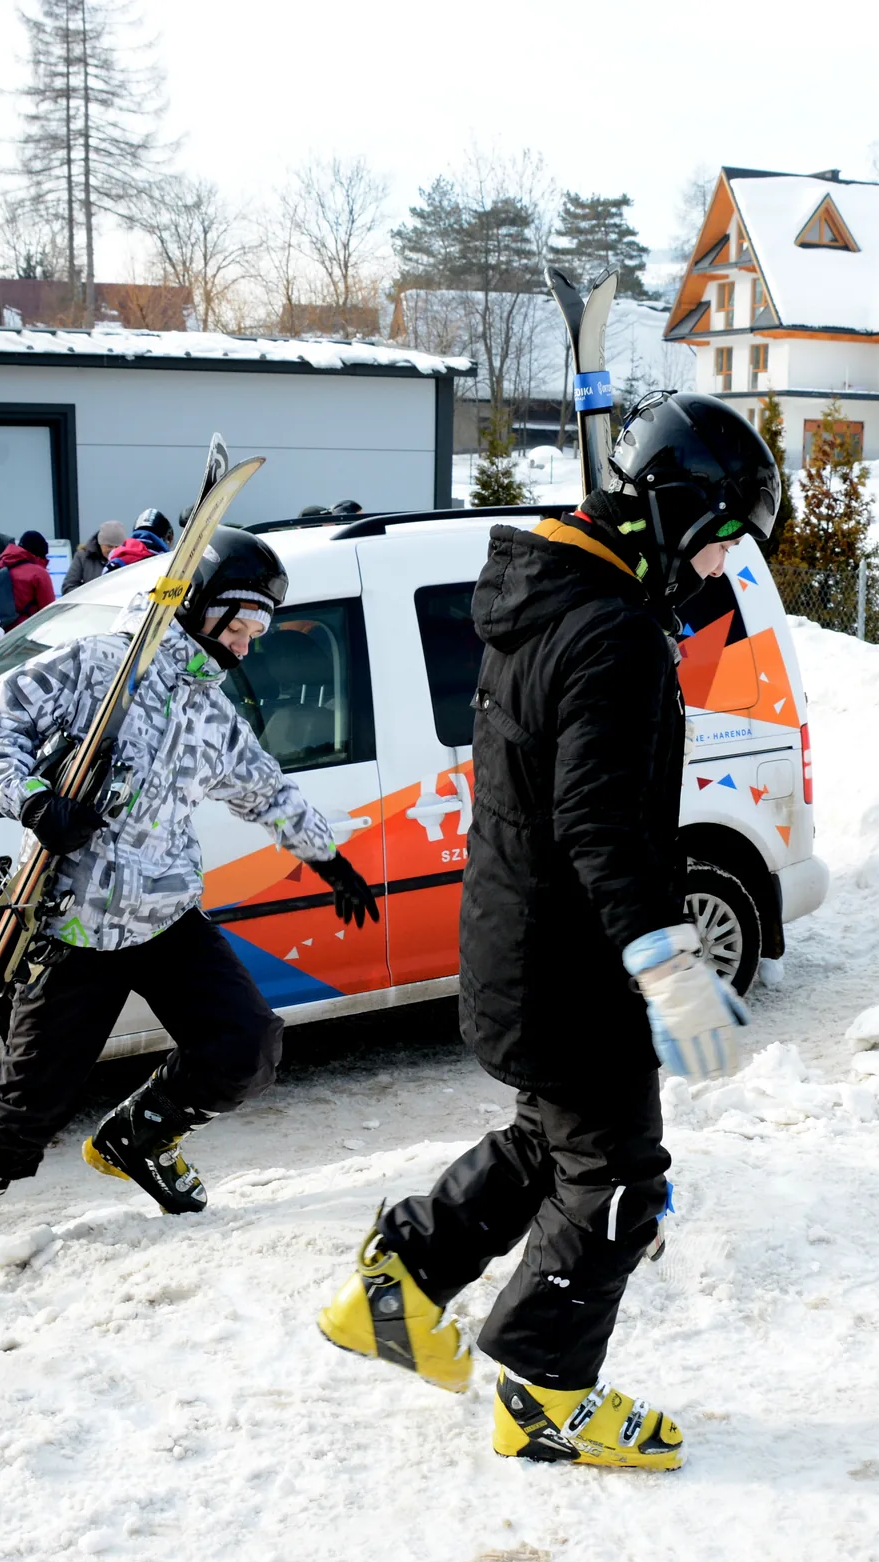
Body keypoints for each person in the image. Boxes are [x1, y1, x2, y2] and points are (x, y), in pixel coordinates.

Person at [314, 391, 776, 1471]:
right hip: (571, 962)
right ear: (677, 514)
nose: (722, 571)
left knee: (551, 1141)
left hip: (522, 943)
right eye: (722, 543)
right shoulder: (610, 629)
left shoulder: (549, 599)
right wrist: (665, 959)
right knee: (618, 1178)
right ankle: (545, 1394)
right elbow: (596, 818)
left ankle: (397, 1283)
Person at [0, 528, 381, 1293]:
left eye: (257, 630)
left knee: (246, 1045)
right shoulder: (101, 667)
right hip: (74, 919)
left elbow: (266, 788)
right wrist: (34, 800)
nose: (248, 644)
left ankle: (140, 1135)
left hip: (164, 913)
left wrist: (330, 859)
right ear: (197, 607)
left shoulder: (211, 710)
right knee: (30, 1099)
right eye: (240, 624)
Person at [63, 520, 129, 593]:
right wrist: (91, 595)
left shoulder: (129, 559)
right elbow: (68, 587)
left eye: (117, 547)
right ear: (100, 543)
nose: (113, 550)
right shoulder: (82, 558)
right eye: (109, 546)